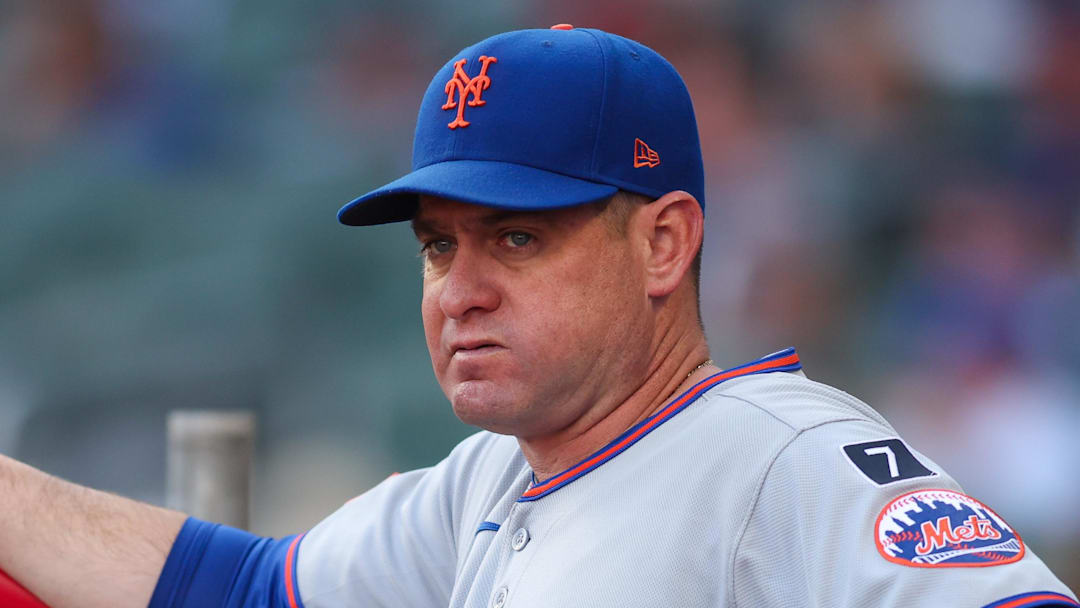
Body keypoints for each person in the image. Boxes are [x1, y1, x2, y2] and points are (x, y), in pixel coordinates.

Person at [0, 25, 1077, 608]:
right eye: (438, 243)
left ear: (663, 242)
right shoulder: (490, 476)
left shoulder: (785, 456)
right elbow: (233, 587)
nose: (460, 286)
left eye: (518, 236)